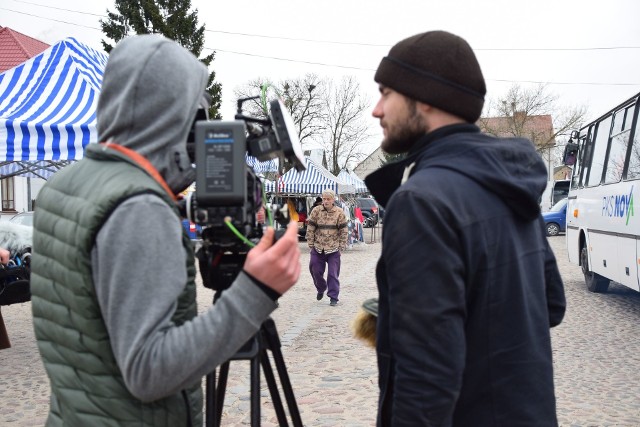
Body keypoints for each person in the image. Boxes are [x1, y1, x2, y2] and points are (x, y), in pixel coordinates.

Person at [30, 35, 301, 426]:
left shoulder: (65, 185)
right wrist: (255, 292)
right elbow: (147, 370)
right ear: (175, 115)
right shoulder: (138, 208)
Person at [365, 30, 566, 426]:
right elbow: (550, 304)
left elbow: (426, 379)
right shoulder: (509, 181)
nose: (376, 109)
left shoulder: (421, 200)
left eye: (386, 92)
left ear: (423, 96)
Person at [305, 189, 348, 306]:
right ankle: (321, 288)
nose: (326, 201)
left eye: (328, 199)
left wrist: (342, 245)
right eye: (324, 199)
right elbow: (310, 228)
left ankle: (333, 297)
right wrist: (310, 243)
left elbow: (344, 230)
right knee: (314, 270)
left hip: (333, 248)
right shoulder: (316, 211)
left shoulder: (339, 212)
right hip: (318, 247)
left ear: (333, 200)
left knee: (333, 274)